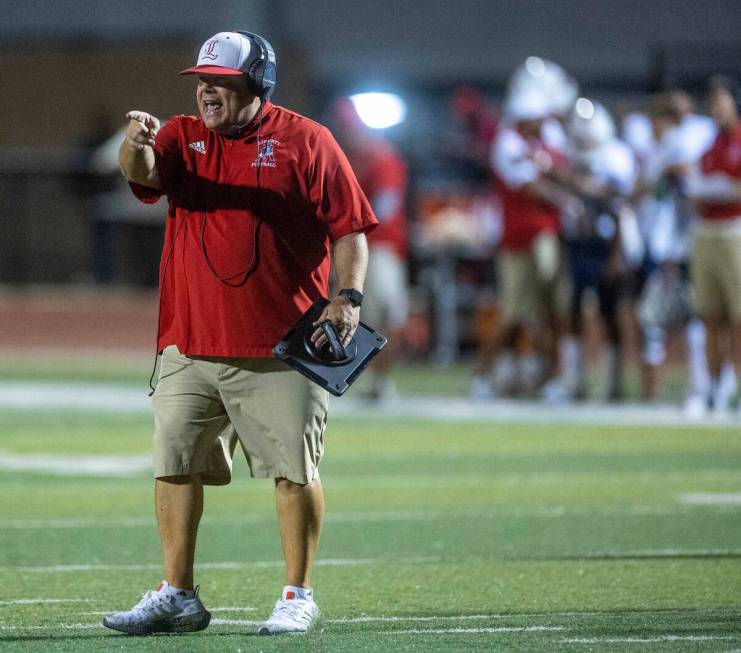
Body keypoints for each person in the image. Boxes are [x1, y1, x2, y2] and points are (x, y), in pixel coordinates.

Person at [102, 30, 377, 636]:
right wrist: (134, 145)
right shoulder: (179, 135)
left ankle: (297, 593)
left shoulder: (307, 140)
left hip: (280, 344)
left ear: (256, 83)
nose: (206, 92)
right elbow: (143, 175)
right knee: (172, 464)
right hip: (189, 342)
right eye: (201, 81)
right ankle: (177, 593)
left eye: (219, 83)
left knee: (293, 470)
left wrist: (347, 299)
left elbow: (351, 229)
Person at [471, 87, 578, 399]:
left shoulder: (539, 143)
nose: (542, 125)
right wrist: (568, 200)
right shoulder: (507, 144)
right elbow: (532, 187)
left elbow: (565, 172)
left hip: (547, 235)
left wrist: (554, 173)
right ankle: (485, 374)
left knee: (553, 310)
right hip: (519, 240)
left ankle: (549, 379)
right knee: (515, 313)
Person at [332, 98, 409, 400]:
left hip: (380, 248)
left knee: (384, 315)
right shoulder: (346, 158)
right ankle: (359, 380)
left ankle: (381, 380)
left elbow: (384, 210)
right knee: (356, 316)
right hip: (352, 247)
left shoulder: (381, 158)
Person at [561, 100, 637, 401]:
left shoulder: (615, 156)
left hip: (606, 243)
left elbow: (619, 204)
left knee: (608, 311)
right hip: (578, 242)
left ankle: (612, 381)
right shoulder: (570, 153)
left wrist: (617, 255)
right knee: (574, 309)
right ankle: (574, 380)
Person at [686, 76, 741, 416]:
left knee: (738, 315)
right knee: (711, 314)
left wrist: (725, 189)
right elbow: (695, 196)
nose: (716, 110)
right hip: (707, 231)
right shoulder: (708, 147)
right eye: (712, 105)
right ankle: (711, 385)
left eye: (721, 103)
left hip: (734, 231)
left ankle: (735, 381)